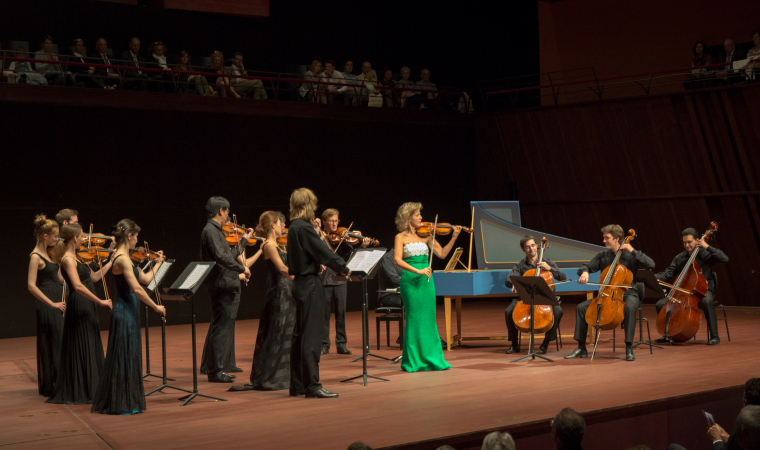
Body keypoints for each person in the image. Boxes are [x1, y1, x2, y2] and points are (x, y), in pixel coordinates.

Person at [91, 219, 166, 414]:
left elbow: (147, 279)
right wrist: (156, 306)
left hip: (129, 312)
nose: (137, 241)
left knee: (129, 356)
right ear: (130, 236)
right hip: (124, 313)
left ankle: (126, 401)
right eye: (137, 237)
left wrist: (157, 264)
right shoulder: (123, 259)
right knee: (123, 357)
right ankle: (121, 402)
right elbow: (138, 289)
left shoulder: (127, 258)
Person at [286, 188, 351, 398]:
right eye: (313, 204)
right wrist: (344, 267)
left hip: (299, 284)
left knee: (299, 336)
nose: (315, 208)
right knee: (311, 338)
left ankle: (297, 385)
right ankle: (312, 385)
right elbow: (323, 252)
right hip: (310, 284)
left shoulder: (293, 227)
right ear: (307, 205)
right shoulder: (304, 228)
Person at [565, 225, 655, 362]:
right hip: (607, 294)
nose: (604, 241)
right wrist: (584, 271)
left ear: (617, 239)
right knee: (581, 308)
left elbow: (651, 264)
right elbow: (587, 266)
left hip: (629, 293)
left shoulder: (631, 255)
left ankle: (629, 347)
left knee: (629, 307)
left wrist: (632, 250)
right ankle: (581, 348)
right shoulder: (603, 256)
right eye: (604, 238)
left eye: (607, 238)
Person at [46, 224, 113, 404]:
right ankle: (83, 388)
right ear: (74, 238)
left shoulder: (77, 257)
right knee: (82, 341)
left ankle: (92, 385)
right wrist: (100, 301)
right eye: (83, 236)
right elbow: (77, 286)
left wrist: (111, 261)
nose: (85, 239)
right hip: (80, 304)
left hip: (87, 305)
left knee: (90, 341)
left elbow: (95, 277)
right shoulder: (68, 259)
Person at [230, 212, 296, 392]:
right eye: (282, 223)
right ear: (273, 225)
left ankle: (284, 375)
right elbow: (282, 269)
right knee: (276, 334)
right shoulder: (268, 246)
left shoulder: (280, 245)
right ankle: (269, 377)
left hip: (287, 292)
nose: (284, 226)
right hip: (279, 294)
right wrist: (302, 277)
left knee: (286, 334)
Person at [393, 202, 461, 372]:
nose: (421, 218)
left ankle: (433, 358)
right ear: (409, 218)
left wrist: (454, 237)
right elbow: (397, 260)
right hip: (410, 280)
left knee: (429, 319)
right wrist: (418, 270)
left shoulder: (427, 236)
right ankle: (414, 360)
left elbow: (443, 254)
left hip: (427, 281)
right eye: (417, 215)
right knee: (414, 319)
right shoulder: (400, 237)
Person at [200, 196, 252, 382]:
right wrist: (242, 268)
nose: (229, 214)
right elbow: (223, 258)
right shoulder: (210, 231)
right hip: (222, 285)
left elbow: (228, 255)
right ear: (221, 211)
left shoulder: (216, 231)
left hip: (227, 284)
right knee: (221, 328)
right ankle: (215, 371)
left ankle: (220, 368)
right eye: (228, 211)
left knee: (224, 327)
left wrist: (244, 241)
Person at [654, 227, 728, 345]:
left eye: (689, 242)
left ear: (697, 240)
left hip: (703, 290)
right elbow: (668, 273)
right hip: (683, 292)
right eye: (684, 242)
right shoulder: (679, 258)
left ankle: (715, 336)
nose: (687, 245)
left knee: (706, 302)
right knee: (661, 304)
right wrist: (653, 277)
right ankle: (667, 334)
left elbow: (724, 258)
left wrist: (706, 246)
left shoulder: (705, 255)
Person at [318, 208, 371, 355]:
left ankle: (341, 344)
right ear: (324, 222)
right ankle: (325, 344)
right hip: (324, 280)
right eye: (331, 221)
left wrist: (362, 246)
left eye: (336, 221)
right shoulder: (319, 238)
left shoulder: (343, 238)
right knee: (324, 315)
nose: (334, 224)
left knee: (341, 313)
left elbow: (352, 256)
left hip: (340, 280)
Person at [504, 235, 565, 355]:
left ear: (537, 246)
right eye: (527, 247)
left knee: (558, 311)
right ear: (523, 250)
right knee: (508, 312)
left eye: (532, 245)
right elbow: (508, 280)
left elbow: (562, 277)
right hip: (526, 299)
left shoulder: (547, 262)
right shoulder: (520, 265)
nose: (531, 249)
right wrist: (514, 283)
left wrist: (550, 269)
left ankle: (546, 343)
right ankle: (514, 344)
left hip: (546, 299)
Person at [27, 215, 65, 396]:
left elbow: (57, 278)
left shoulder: (49, 253)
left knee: (60, 340)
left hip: (57, 299)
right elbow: (31, 285)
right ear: (45, 236)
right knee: (53, 342)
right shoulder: (35, 256)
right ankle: (54, 384)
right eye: (55, 236)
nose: (57, 239)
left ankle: (61, 381)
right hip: (48, 303)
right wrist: (51, 303)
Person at [666, 377, 760, 450]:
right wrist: (724, 436)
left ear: (746, 402)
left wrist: (717, 439)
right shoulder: (753, 426)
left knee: (673, 448)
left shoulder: (744, 423)